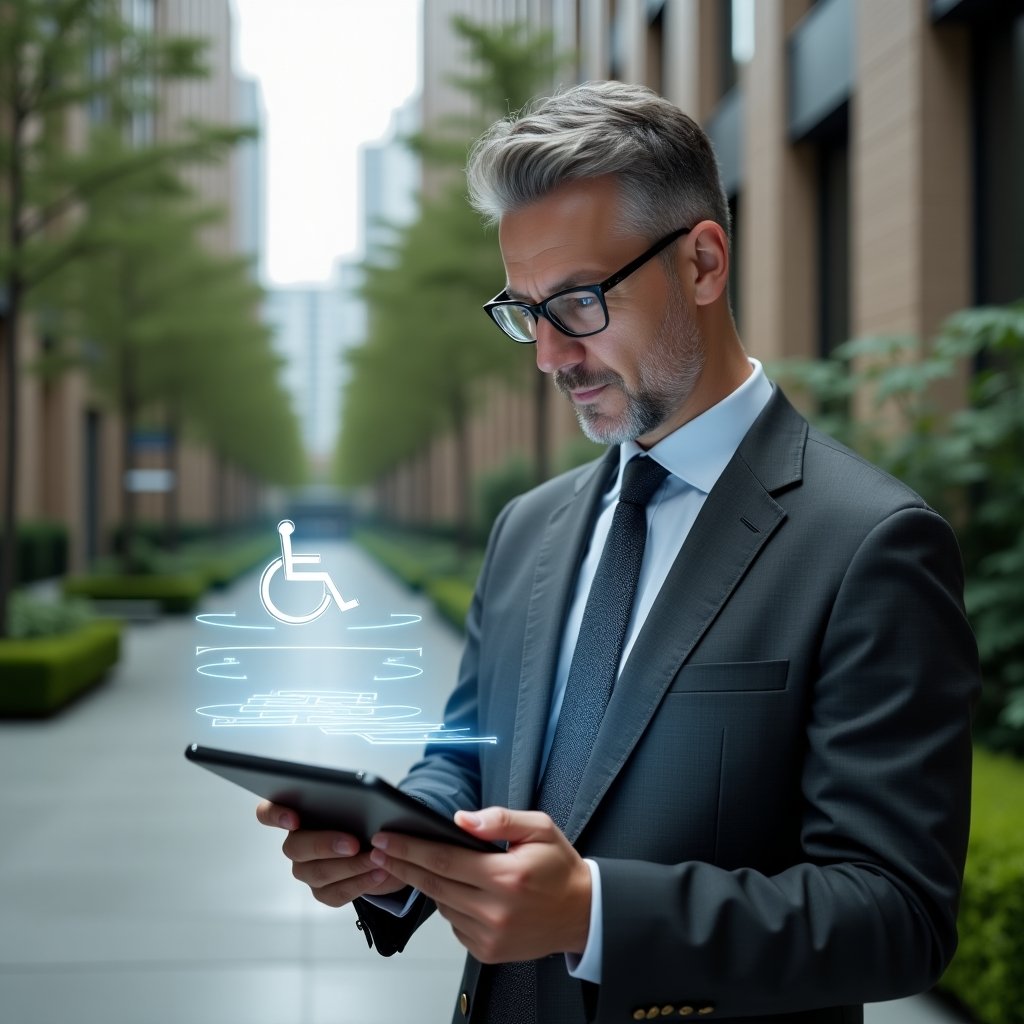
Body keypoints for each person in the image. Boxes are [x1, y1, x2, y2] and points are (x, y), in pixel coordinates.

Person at [257, 81, 979, 1023]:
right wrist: (394, 848)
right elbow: (473, 755)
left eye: (580, 303)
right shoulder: (529, 528)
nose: (550, 357)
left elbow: (897, 915)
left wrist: (594, 912)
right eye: (524, 311)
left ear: (705, 264)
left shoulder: (870, 544)